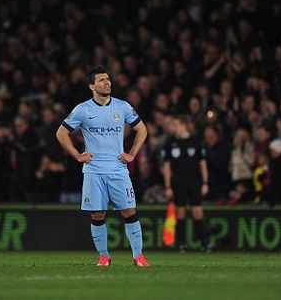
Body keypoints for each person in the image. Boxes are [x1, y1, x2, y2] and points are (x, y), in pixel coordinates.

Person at [56, 66, 150, 267]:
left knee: (129, 211)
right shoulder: (82, 110)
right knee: (97, 214)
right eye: (102, 80)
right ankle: (104, 256)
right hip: (94, 170)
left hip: (118, 169)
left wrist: (132, 153)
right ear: (92, 86)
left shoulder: (122, 107)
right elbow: (61, 133)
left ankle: (138, 256)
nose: (107, 83)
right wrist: (77, 155)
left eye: (108, 79)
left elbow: (142, 130)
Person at [162, 115, 211, 252]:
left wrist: (205, 183)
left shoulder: (195, 141)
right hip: (178, 180)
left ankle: (205, 243)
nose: (173, 128)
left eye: (175, 125)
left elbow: (202, 163)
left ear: (183, 125)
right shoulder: (170, 142)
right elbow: (167, 166)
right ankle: (182, 243)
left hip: (194, 180)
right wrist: (167, 186)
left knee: (197, 212)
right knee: (180, 213)